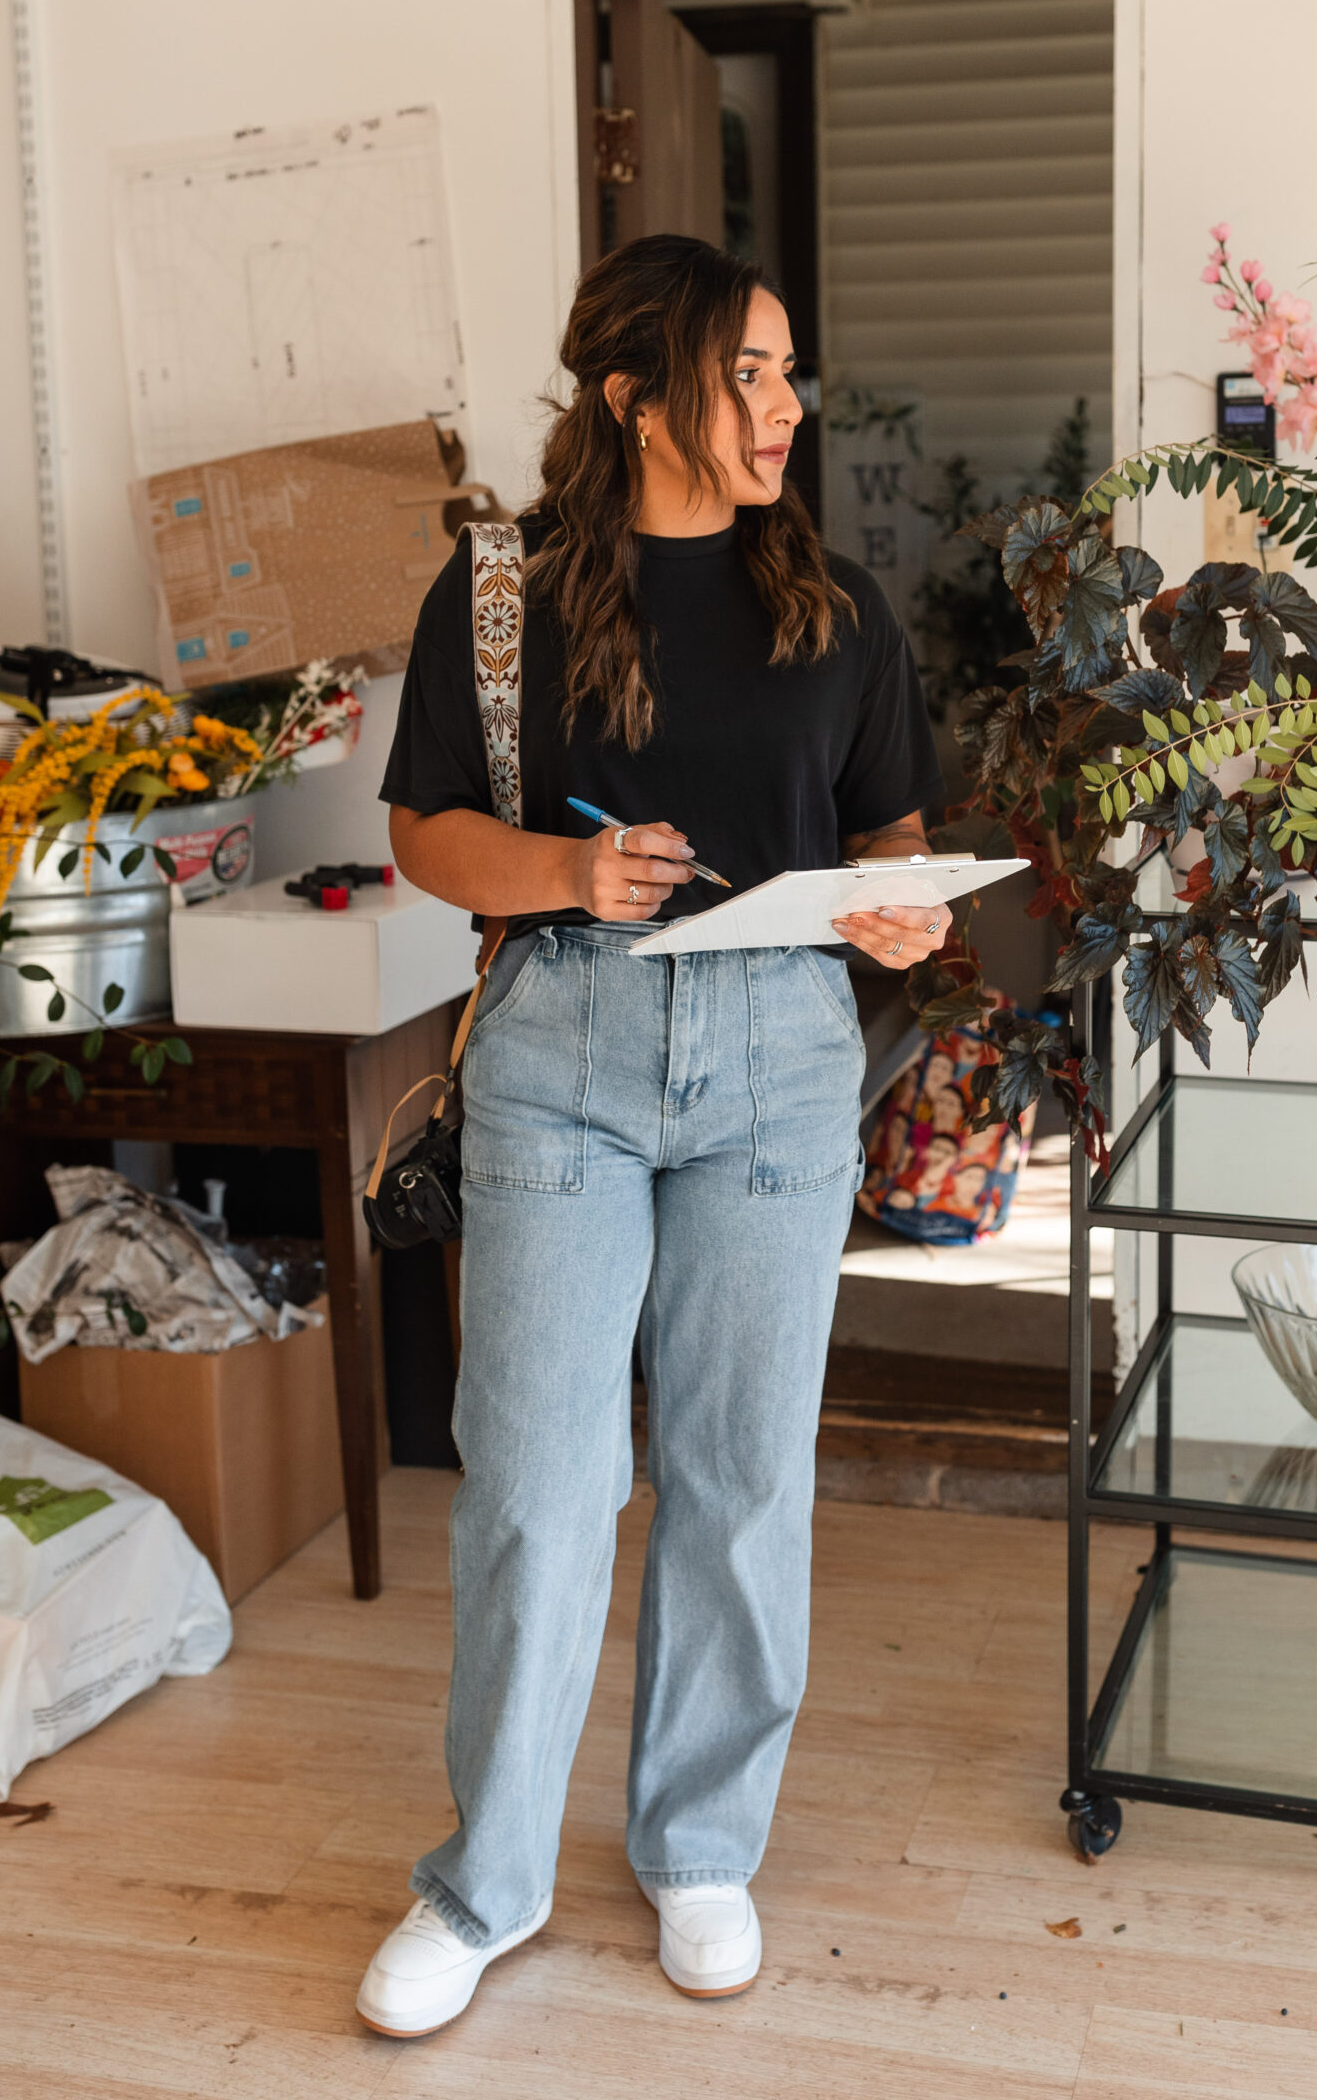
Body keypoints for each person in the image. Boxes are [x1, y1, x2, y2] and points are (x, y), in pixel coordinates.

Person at [359, 232, 946, 2036]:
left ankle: (700, 1846)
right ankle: (487, 1887)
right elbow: (426, 835)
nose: (784, 408)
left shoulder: (837, 610)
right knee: (540, 1483)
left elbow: (893, 838)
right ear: (634, 395)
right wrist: (567, 871)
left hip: (781, 1052)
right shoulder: (501, 599)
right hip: (564, 1043)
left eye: (792, 376)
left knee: (743, 1475)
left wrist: (900, 914)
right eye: (746, 375)